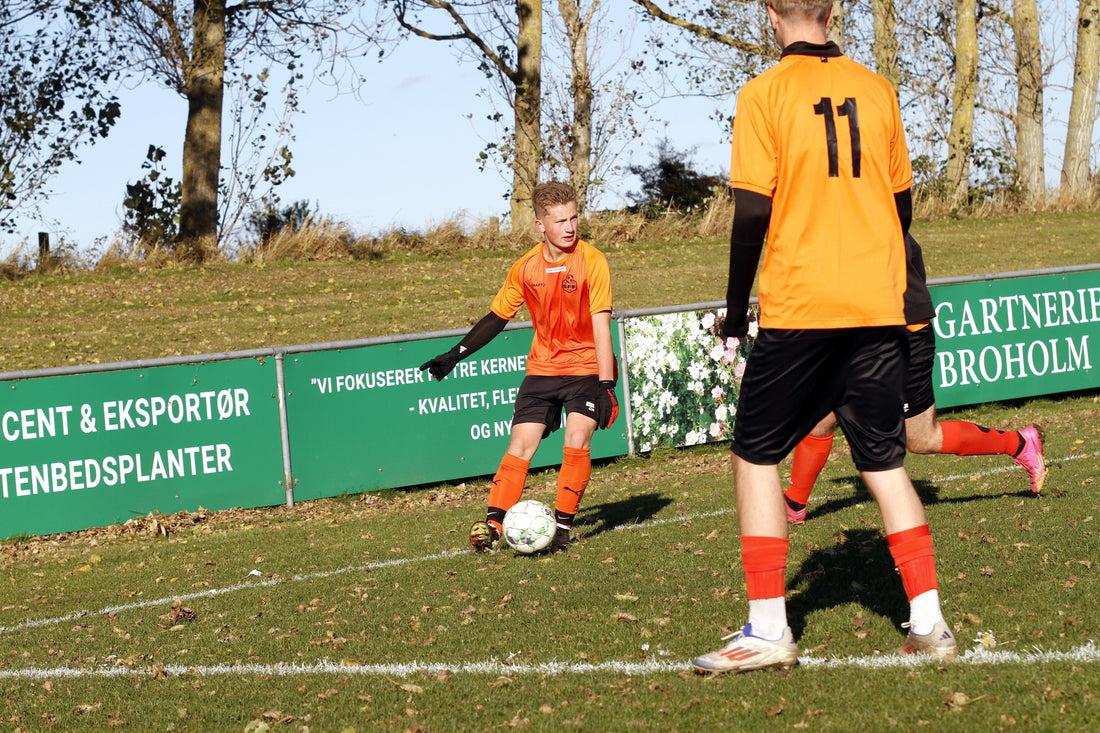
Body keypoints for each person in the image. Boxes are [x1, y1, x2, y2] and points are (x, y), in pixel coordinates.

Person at [691, 1, 957, 675]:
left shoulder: (764, 93)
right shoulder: (876, 88)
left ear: (770, 15)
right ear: (833, 11)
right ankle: (929, 620)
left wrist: (733, 307)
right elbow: (901, 207)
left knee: (754, 455)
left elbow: (752, 209)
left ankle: (769, 627)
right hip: (877, 303)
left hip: (805, 302)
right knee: (882, 460)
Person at [784, 234, 1047, 525]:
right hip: (866, 334)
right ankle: (794, 503)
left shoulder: (878, 218)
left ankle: (1020, 444)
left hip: (905, 337)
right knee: (822, 414)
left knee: (921, 438)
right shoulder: (845, 217)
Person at [419, 181, 618, 553]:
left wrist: (606, 383)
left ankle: (560, 529)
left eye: (574, 217)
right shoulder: (526, 268)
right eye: (560, 221)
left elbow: (602, 327)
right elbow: (496, 317)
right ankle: (493, 527)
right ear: (540, 225)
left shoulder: (593, 261)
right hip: (542, 369)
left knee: (577, 439)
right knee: (520, 444)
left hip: (586, 366)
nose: (570, 227)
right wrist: (455, 354)